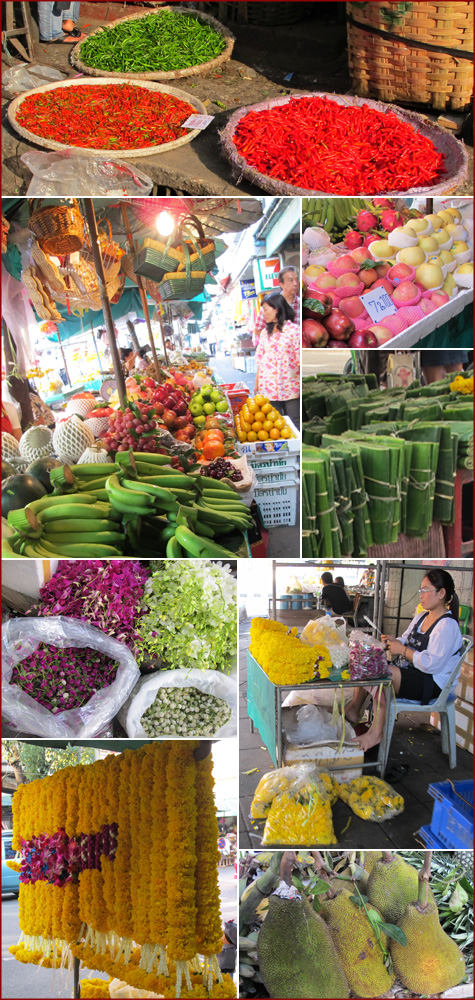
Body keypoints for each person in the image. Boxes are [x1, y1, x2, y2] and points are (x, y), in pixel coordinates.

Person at [346, 569, 463, 752]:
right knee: (369, 661)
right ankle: (354, 709)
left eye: (426, 590)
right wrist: (395, 641)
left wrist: (403, 650)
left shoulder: (447, 625)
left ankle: (376, 733)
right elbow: (406, 638)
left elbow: (432, 664)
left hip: (432, 684)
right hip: (414, 674)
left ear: (441, 593)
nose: (421, 595)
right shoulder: (422, 616)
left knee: (381, 673)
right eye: (420, 590)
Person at [254, 292, 300, 429]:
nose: (264, 314)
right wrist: (256, 384)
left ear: (276, 309)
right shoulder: (263, 334)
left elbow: (299, 359)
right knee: (274, 427)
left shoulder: (294, 331)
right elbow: (260, 361)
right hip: (268, 389)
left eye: (266, 310)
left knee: (295, 423)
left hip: (291, 387)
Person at [253, 266, 300, 345]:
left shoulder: (301, 303)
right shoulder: (269, 305)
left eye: (297, 280)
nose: (295, 284)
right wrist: (274, 343)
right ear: (281, 284)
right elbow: (258, 330)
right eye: (291, 280)